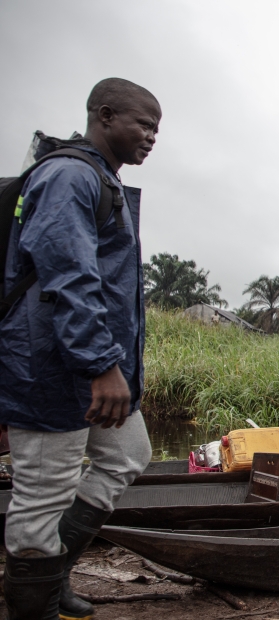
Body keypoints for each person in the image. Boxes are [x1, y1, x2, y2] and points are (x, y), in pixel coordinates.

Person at [0, 78, 160, 620]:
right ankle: (32, 607)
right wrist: (101, 366)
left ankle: (53, 578)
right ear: (105, 115)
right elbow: (67, 277)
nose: (152, 136)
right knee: (43, 495)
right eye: (144, 123)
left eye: (157, 128)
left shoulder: (102, 183)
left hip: (88, 367)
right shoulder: (69, 175)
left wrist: (112, 366)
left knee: (128, 456)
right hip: (49, 367)